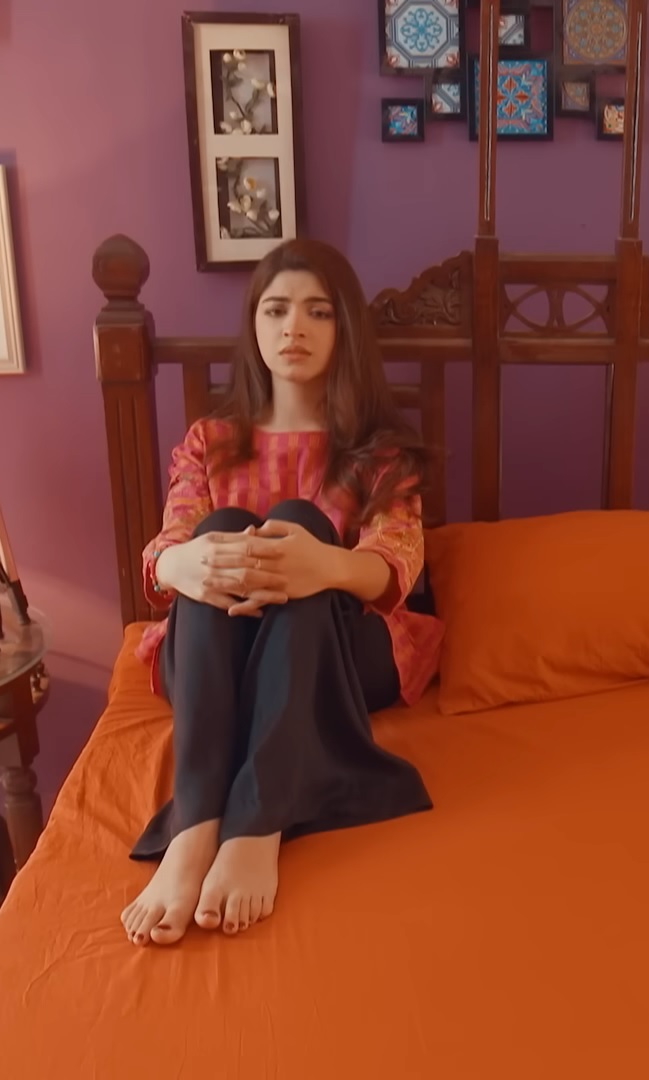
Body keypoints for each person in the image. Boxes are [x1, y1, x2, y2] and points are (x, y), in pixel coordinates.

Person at [118, 239, 441, 948]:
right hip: (218, 646)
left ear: (343, 329)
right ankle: (197, 823)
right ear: (255, 325)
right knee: (220, 527)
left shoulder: (378, 449)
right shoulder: (209, 440)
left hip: (340, 650)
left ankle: (256, 821)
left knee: (300, 522)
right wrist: (182, 564)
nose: (294, 327)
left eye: (318, 312)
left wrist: (319, 566)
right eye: (276, 310)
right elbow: (168, 543)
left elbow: (396, 564)